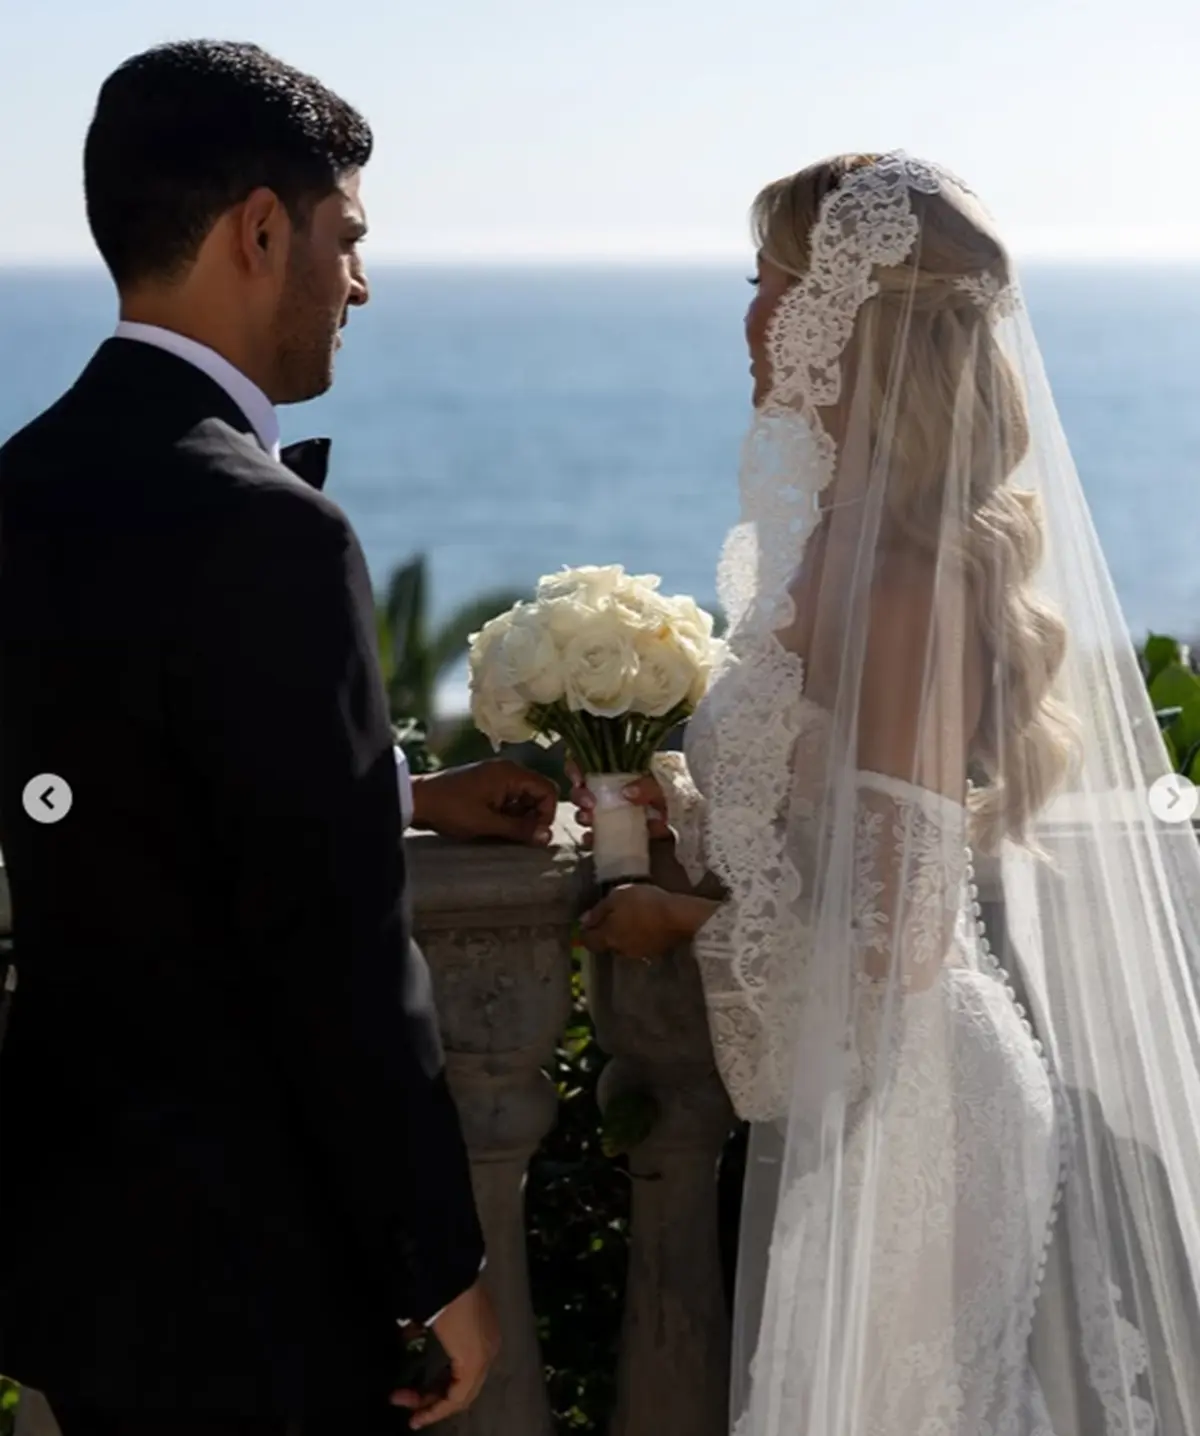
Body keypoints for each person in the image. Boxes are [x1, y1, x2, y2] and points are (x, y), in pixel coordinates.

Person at [577, 153, 1200, 1433]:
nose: (751, 316)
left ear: (847, 316)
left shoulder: (909, 575)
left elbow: (898, 935)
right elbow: (827, 822)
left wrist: (672, 923)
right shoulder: (842, 540)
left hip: (924, 1116)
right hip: (885, 1103)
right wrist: (690, 810)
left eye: (772, 283)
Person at [0, 40, 558, 1436]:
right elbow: (339, 952)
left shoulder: (22, 484)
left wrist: (400, 793)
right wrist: (441, 1261)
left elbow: (105, 782)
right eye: (347, 238)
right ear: (262, 229)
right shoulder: (269, 530)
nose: (358, 283)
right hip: (259, 1271)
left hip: (73, 1247)